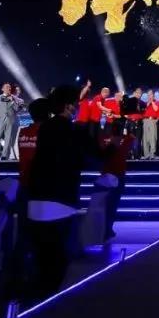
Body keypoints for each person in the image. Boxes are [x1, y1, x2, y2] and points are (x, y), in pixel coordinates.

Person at [27, 86, 104, 294]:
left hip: (36, 196)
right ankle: (49, 299)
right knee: (59, 258)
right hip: (61, 198)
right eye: (76, 104)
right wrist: (113, 146)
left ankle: (35, 299)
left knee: (41, 256)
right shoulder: (74, 130)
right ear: (69, 106)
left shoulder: (45, 128)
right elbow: (96, 156)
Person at [0, 82, 20, 160]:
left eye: (9, 87)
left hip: (10, 119)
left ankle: (5, 156)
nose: (9, 88)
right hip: (0, 119)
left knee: (8, 138)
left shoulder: (13, 98)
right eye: (7, 87)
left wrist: (12, 101)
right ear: (2, 89)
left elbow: (16, 109)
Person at [141, 90, 159, 160]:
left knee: (153, 138)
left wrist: (152, 102)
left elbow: (156, 109)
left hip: (152, 121)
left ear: (153, 95)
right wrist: (147, 104)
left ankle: (152, 154)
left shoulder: (157, 102)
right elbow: (142, 111)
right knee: (145, 138)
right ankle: (146, 154)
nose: (149, 96)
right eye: (148, 95)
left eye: (151, 94)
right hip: (145, 121)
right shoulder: (145, 104)